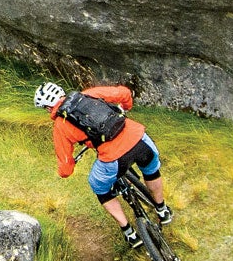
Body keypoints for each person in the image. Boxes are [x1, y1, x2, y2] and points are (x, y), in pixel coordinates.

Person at [34, 81, 171, 251]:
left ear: (48, 108)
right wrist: (126, 107)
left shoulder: (60, 126)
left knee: (98, 185)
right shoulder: (90, 93)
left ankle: (129, 231)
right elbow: (124, 94)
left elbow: (65, 167)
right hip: (138, 137)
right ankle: (162, 209)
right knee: (151, 170)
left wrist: (66, 171)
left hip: (113, 157)